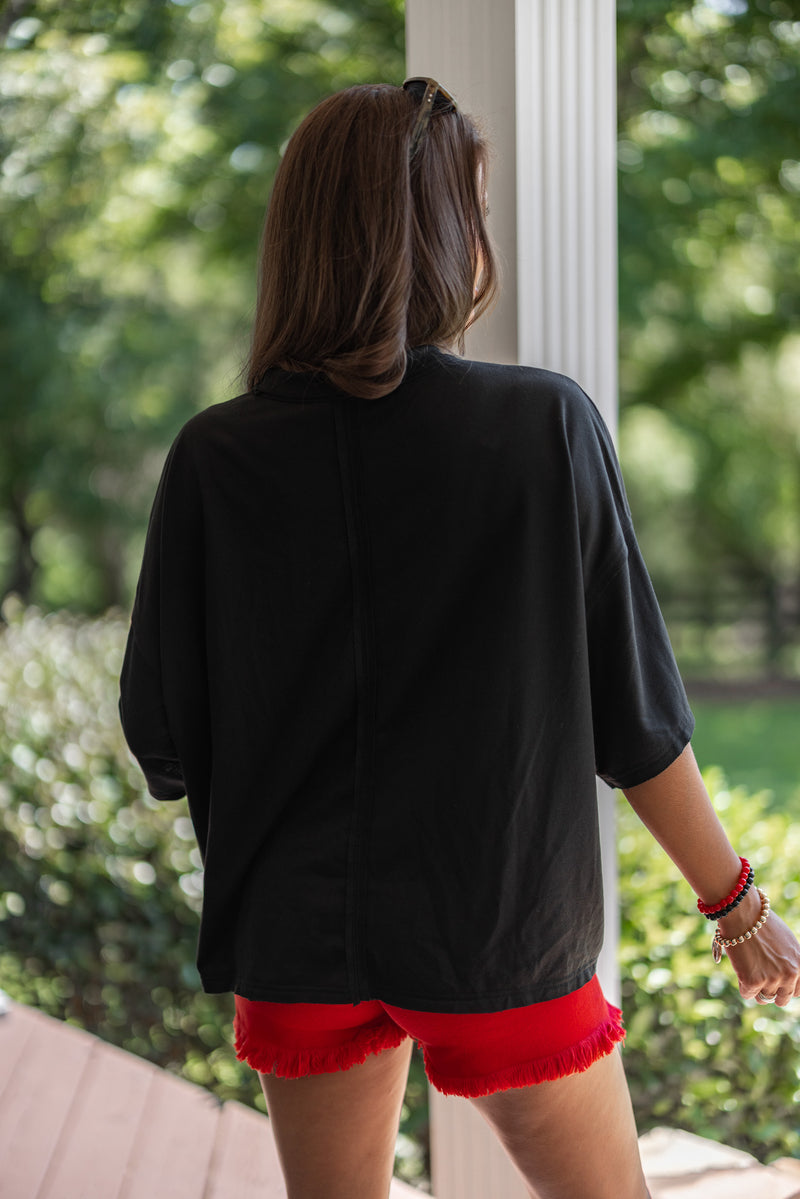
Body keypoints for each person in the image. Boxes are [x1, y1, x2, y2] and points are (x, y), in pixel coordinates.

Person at [119, 79, 800, 1199]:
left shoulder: (212, 458)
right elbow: (634, 718)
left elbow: (162, 736)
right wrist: (736, 908)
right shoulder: (541, 425)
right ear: (439, 233)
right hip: (498, 929)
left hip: (295, 933)